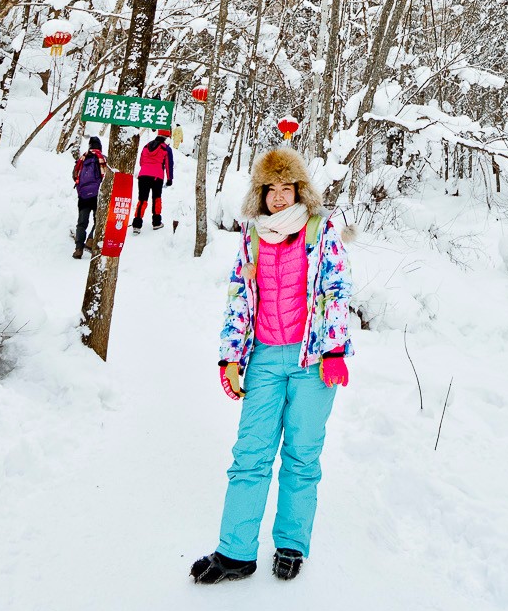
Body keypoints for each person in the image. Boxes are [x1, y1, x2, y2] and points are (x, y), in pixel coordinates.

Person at [189, 146, 352, 585]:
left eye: (287, 188)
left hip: (312, 361)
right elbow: (239, 295)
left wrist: (335, 349)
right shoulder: (254, 235)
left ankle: (292, 544)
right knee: (250, 455)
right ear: (259, 195)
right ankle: (236, 552)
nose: (279, 198)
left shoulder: (320, 230)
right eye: (270, 189)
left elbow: (337, 289)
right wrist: (230, 357)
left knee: (301, 455)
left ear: (300, 190)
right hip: (262, 357)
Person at [71, 136, 104, 259]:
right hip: (97, 194)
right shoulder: (102, 159)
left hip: (83, 195)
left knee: (82, 222)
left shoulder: (82, 159)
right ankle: (90, 240)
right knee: (98, 220)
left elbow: (75, 175)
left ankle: (78, 249)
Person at [135, 128, 174, 232]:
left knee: (142, 199)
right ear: (167, 138)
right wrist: (170, 179)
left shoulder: (146, 146)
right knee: (156, 199)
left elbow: (141, 162)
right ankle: (156, 222)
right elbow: (169, 165)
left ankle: (137, 224)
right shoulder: (166, 149)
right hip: (157, 177)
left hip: (143, 175)